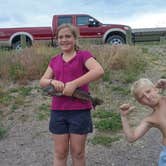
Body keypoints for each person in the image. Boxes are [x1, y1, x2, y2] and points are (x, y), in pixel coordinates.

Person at [39, 23, 104, 166]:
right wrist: (52, 81)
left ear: (75, 38)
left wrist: (74, 84)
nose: (64, 40)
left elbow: (98, 71)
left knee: (78, 152)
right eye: (60, 37)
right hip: (58, 112)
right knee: (60, 152)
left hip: (80, 112)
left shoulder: (83, 56)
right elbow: (42, 82)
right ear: (57, 40)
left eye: (68, 36)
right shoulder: (54, 60)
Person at [119, 78, 166, 166]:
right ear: (141, 103)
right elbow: (131, 138)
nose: (148, 97)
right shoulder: (150, 119)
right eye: (142, 97)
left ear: (155, 89)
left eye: (148, 91)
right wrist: (123, 116)